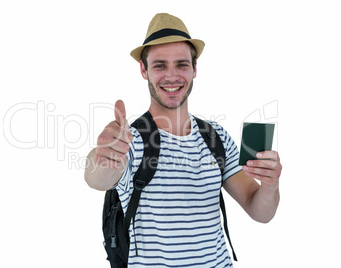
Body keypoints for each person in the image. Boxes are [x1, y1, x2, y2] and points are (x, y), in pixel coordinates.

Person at [85, 13, 282, 267]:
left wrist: (270, 186)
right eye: (159, 65)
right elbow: (97, 178)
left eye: (181, 64)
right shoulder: (129, 140)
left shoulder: (216, 137)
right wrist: (102, 157)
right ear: (144, 70)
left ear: (195, 68)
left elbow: (260, 212)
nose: (172, 76)